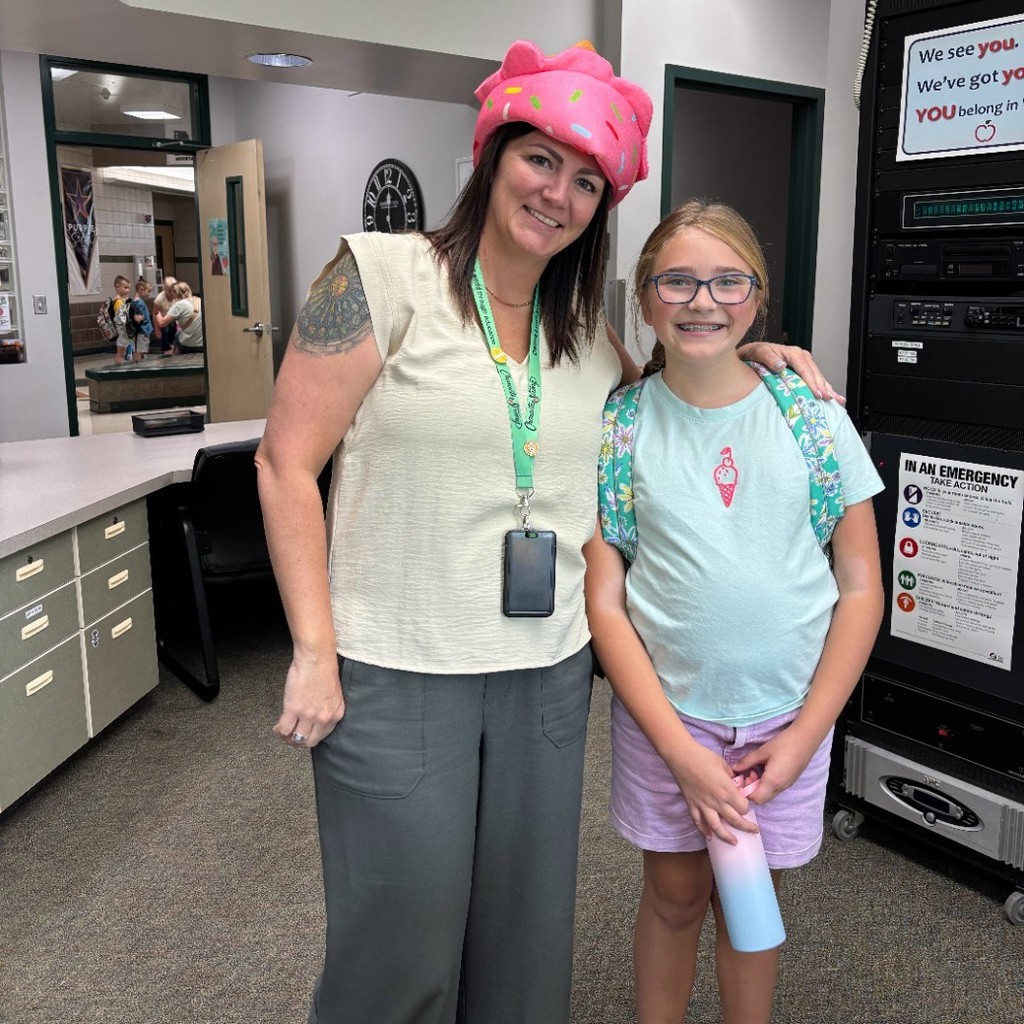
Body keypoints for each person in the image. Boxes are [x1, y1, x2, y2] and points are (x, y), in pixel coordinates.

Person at [255, 41, 836, 1024]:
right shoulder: (380, 276)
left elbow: (672, 405)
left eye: (584, 182)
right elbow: (284, 464)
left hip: (547, 673)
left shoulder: (588, 338)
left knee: (525, 952)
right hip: (397, 668)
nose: (556, 194)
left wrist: (754, 354)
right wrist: (314, 648)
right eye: (540, 159)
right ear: (493, 154)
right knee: (399, 946)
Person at [582, 200, 885, 1024]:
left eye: (727, 281)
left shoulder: (815, 418)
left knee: (751, 904)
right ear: (644, 298)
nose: (702, 300)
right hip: (666, 720)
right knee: (674, 894)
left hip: (788, 719)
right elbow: (605, 602)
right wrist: (679, 751)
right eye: (676, 281)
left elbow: (861, 588)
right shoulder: (621, 427)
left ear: (756, 299)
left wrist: (802, 738)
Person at [154, 281, 203, 353]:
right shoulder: (199, 300)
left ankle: (175, 359)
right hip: (203, 345)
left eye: (172, 292)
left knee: (177, 335)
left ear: (175, 293)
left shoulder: (179, 305)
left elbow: (162, 323)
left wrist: (156, 312)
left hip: (189, 345)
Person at [127, 277, 155, 361]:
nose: (149, 294)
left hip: (144, 330)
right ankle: (137, 366)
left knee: (141, 351)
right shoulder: (138, 303)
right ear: (141, 289)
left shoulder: (138, 302)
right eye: (148, 291)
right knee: (140, 351)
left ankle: (139, 365)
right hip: (143, 330)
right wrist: (139, 318)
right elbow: (138, 318)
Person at [152, 275, 178, 355]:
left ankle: (173, 345)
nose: (171, 293)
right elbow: (154, 314)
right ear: (164, 289)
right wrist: (157, 330)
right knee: (165, 330)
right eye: (169, 290)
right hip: (163, 319)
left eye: (173, 290)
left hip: (173, 319)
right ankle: (166, 348)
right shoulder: (160, 299)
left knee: (175, 332)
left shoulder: (176, 296)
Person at [111, 274, 133, 362]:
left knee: (124, 352)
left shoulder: (121, 300)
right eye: (125, 287)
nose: (127, 290)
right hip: (123, 331)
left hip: (124, 331)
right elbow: (121, 317)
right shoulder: (118, 301)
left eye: (128, 288)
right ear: (117, 287)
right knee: (121, 353)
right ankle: (119, 369)